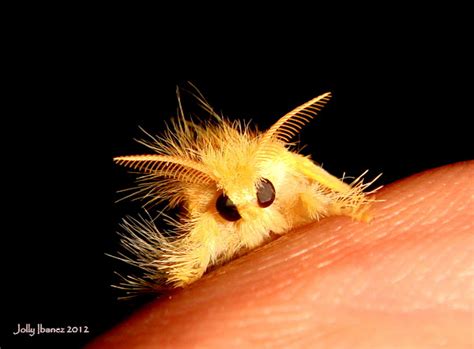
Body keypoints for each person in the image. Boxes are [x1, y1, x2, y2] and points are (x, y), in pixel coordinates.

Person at [87, 161, 473, 348]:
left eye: (258, 196)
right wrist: (182, 280)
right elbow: (183, 269)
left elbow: (308, 181)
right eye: (231, 205)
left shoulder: (279, 171)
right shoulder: (205, 218)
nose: (248, 208)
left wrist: (350, 203)